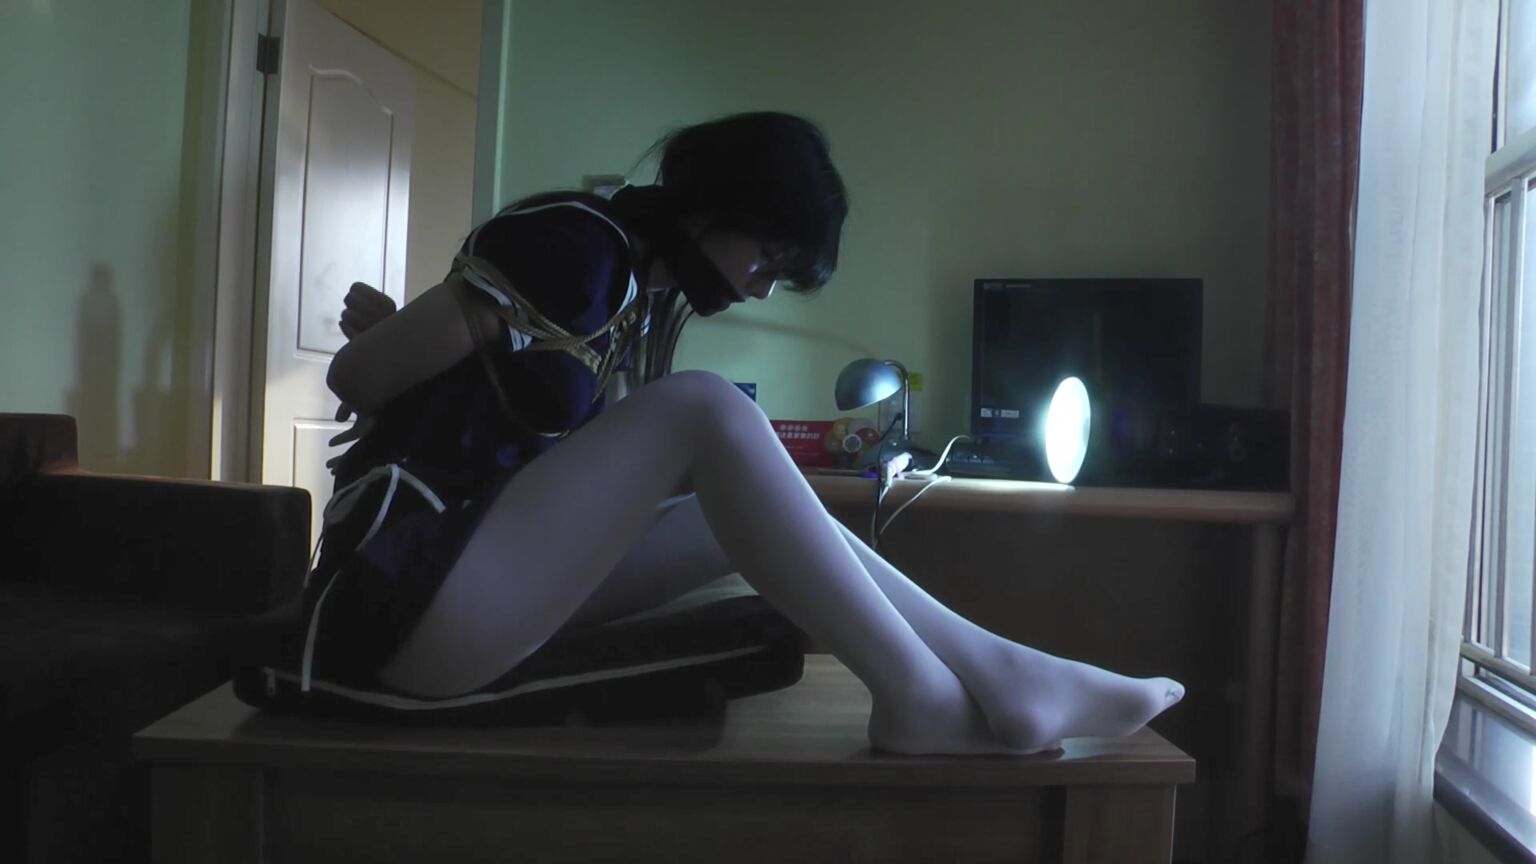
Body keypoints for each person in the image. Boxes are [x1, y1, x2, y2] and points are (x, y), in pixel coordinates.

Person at [314, 111, 1184, 754]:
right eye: (767, 256)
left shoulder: (628, 288)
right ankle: (922, 693)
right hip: (402, 599)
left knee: (718, 510)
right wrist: (406, 345)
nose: (763, 287)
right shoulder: (576, 246)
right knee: (707, 405)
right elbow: (356, 376)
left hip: (465, 587)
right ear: (714, 205)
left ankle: (1001, 671)